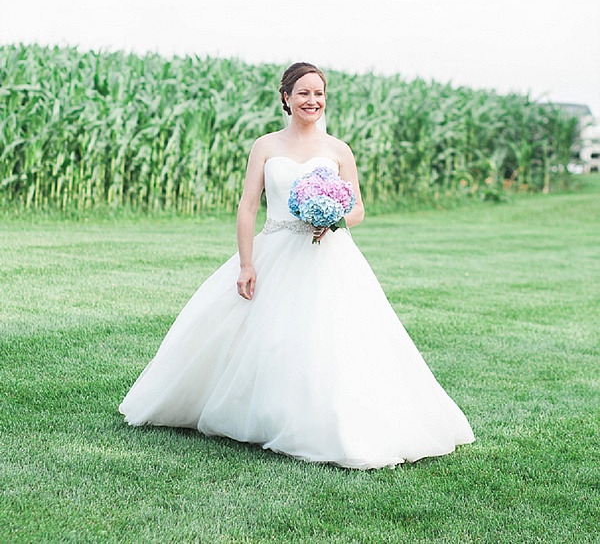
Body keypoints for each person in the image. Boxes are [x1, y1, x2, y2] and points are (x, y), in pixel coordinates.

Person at [119, 62, 474, 469]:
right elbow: (248, 206)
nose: (312, 101)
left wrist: (333, 217)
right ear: (286, 97)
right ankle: (262, 414)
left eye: (319, 94)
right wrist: (247, 263)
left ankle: (326, 423)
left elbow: (358, 208)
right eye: (303, 93)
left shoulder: (339, 150)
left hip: (328, 255)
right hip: (275, 249)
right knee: (268, 336)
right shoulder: (266, 146)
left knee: (330, 339)